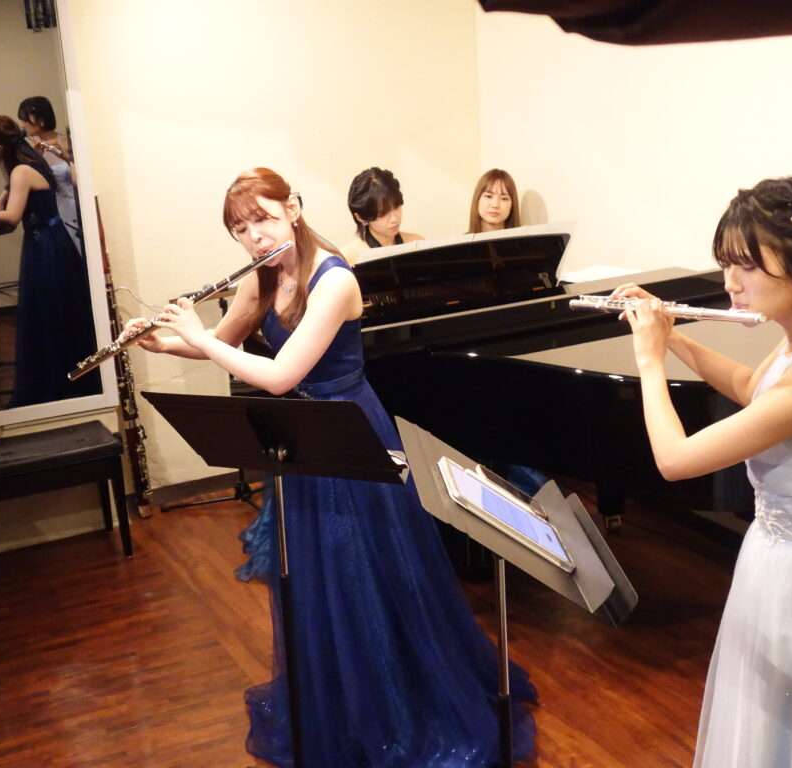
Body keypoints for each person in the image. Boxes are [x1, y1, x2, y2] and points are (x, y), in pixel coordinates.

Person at [123, 167, 537, 766]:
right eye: (240, 229)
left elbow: (279, 374)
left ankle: (394, 707)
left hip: (349, 432)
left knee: (366, 574)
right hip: (301, 438)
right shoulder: (263, 274)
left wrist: (201, 338)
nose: (255, 237)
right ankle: (341, 705)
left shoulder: (336, 279)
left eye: (264, 219)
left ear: (293, 208)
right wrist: (165, 340)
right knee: (318, 577)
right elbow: (223, 340)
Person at [613, 176, 792, 767]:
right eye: (727, 264)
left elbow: (674, 460)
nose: (731, 283)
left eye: (748, 266)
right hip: (786, 560)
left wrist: (649, 359)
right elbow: (748, 385)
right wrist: (675, 337)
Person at [0, 115, 100, 406]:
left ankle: (59, 388)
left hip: (47, 248)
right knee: (49, 316)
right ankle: (64, 383)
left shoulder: (21, 171)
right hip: (47, 243)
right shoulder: (28, 164)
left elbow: (11, 218)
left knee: (50, 317)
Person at [18, 96, 83, 254]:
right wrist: (37, 159)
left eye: (25, 119)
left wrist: (66, 156)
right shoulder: (29, 149)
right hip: (51, 211)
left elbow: (80, 179)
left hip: (74, 205)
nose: (23, 124)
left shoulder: (66, 141)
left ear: (40, 119)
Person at [341, 166, 423, 264]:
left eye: (396, 207)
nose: (394, 219)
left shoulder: (417, 244)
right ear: (361, 217)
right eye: (383, 213)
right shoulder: (349, 257)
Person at [468, 168, 521, 233]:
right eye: (489, 196)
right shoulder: (462, 239)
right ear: (477, 199)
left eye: (504, 198)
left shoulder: (525, 239)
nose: (495, 205)